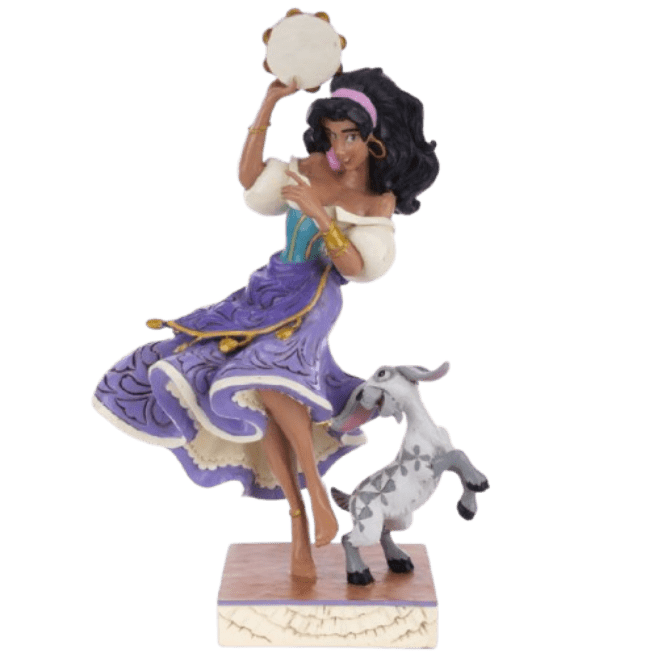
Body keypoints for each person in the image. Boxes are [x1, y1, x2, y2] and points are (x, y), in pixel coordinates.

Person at [91, 66, 440, 579]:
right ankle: (303, 515)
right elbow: (250, 177)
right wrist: (270, 100)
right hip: (270, 287)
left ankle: (312, 501)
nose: (338, 148)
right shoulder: (310, 167)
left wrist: (319, 215)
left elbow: (355, 267)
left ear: (375, 142)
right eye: (331, 135)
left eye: (349, 137)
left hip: (316, 297)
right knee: (255, 386)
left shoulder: (376, 199)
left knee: (268, 372)